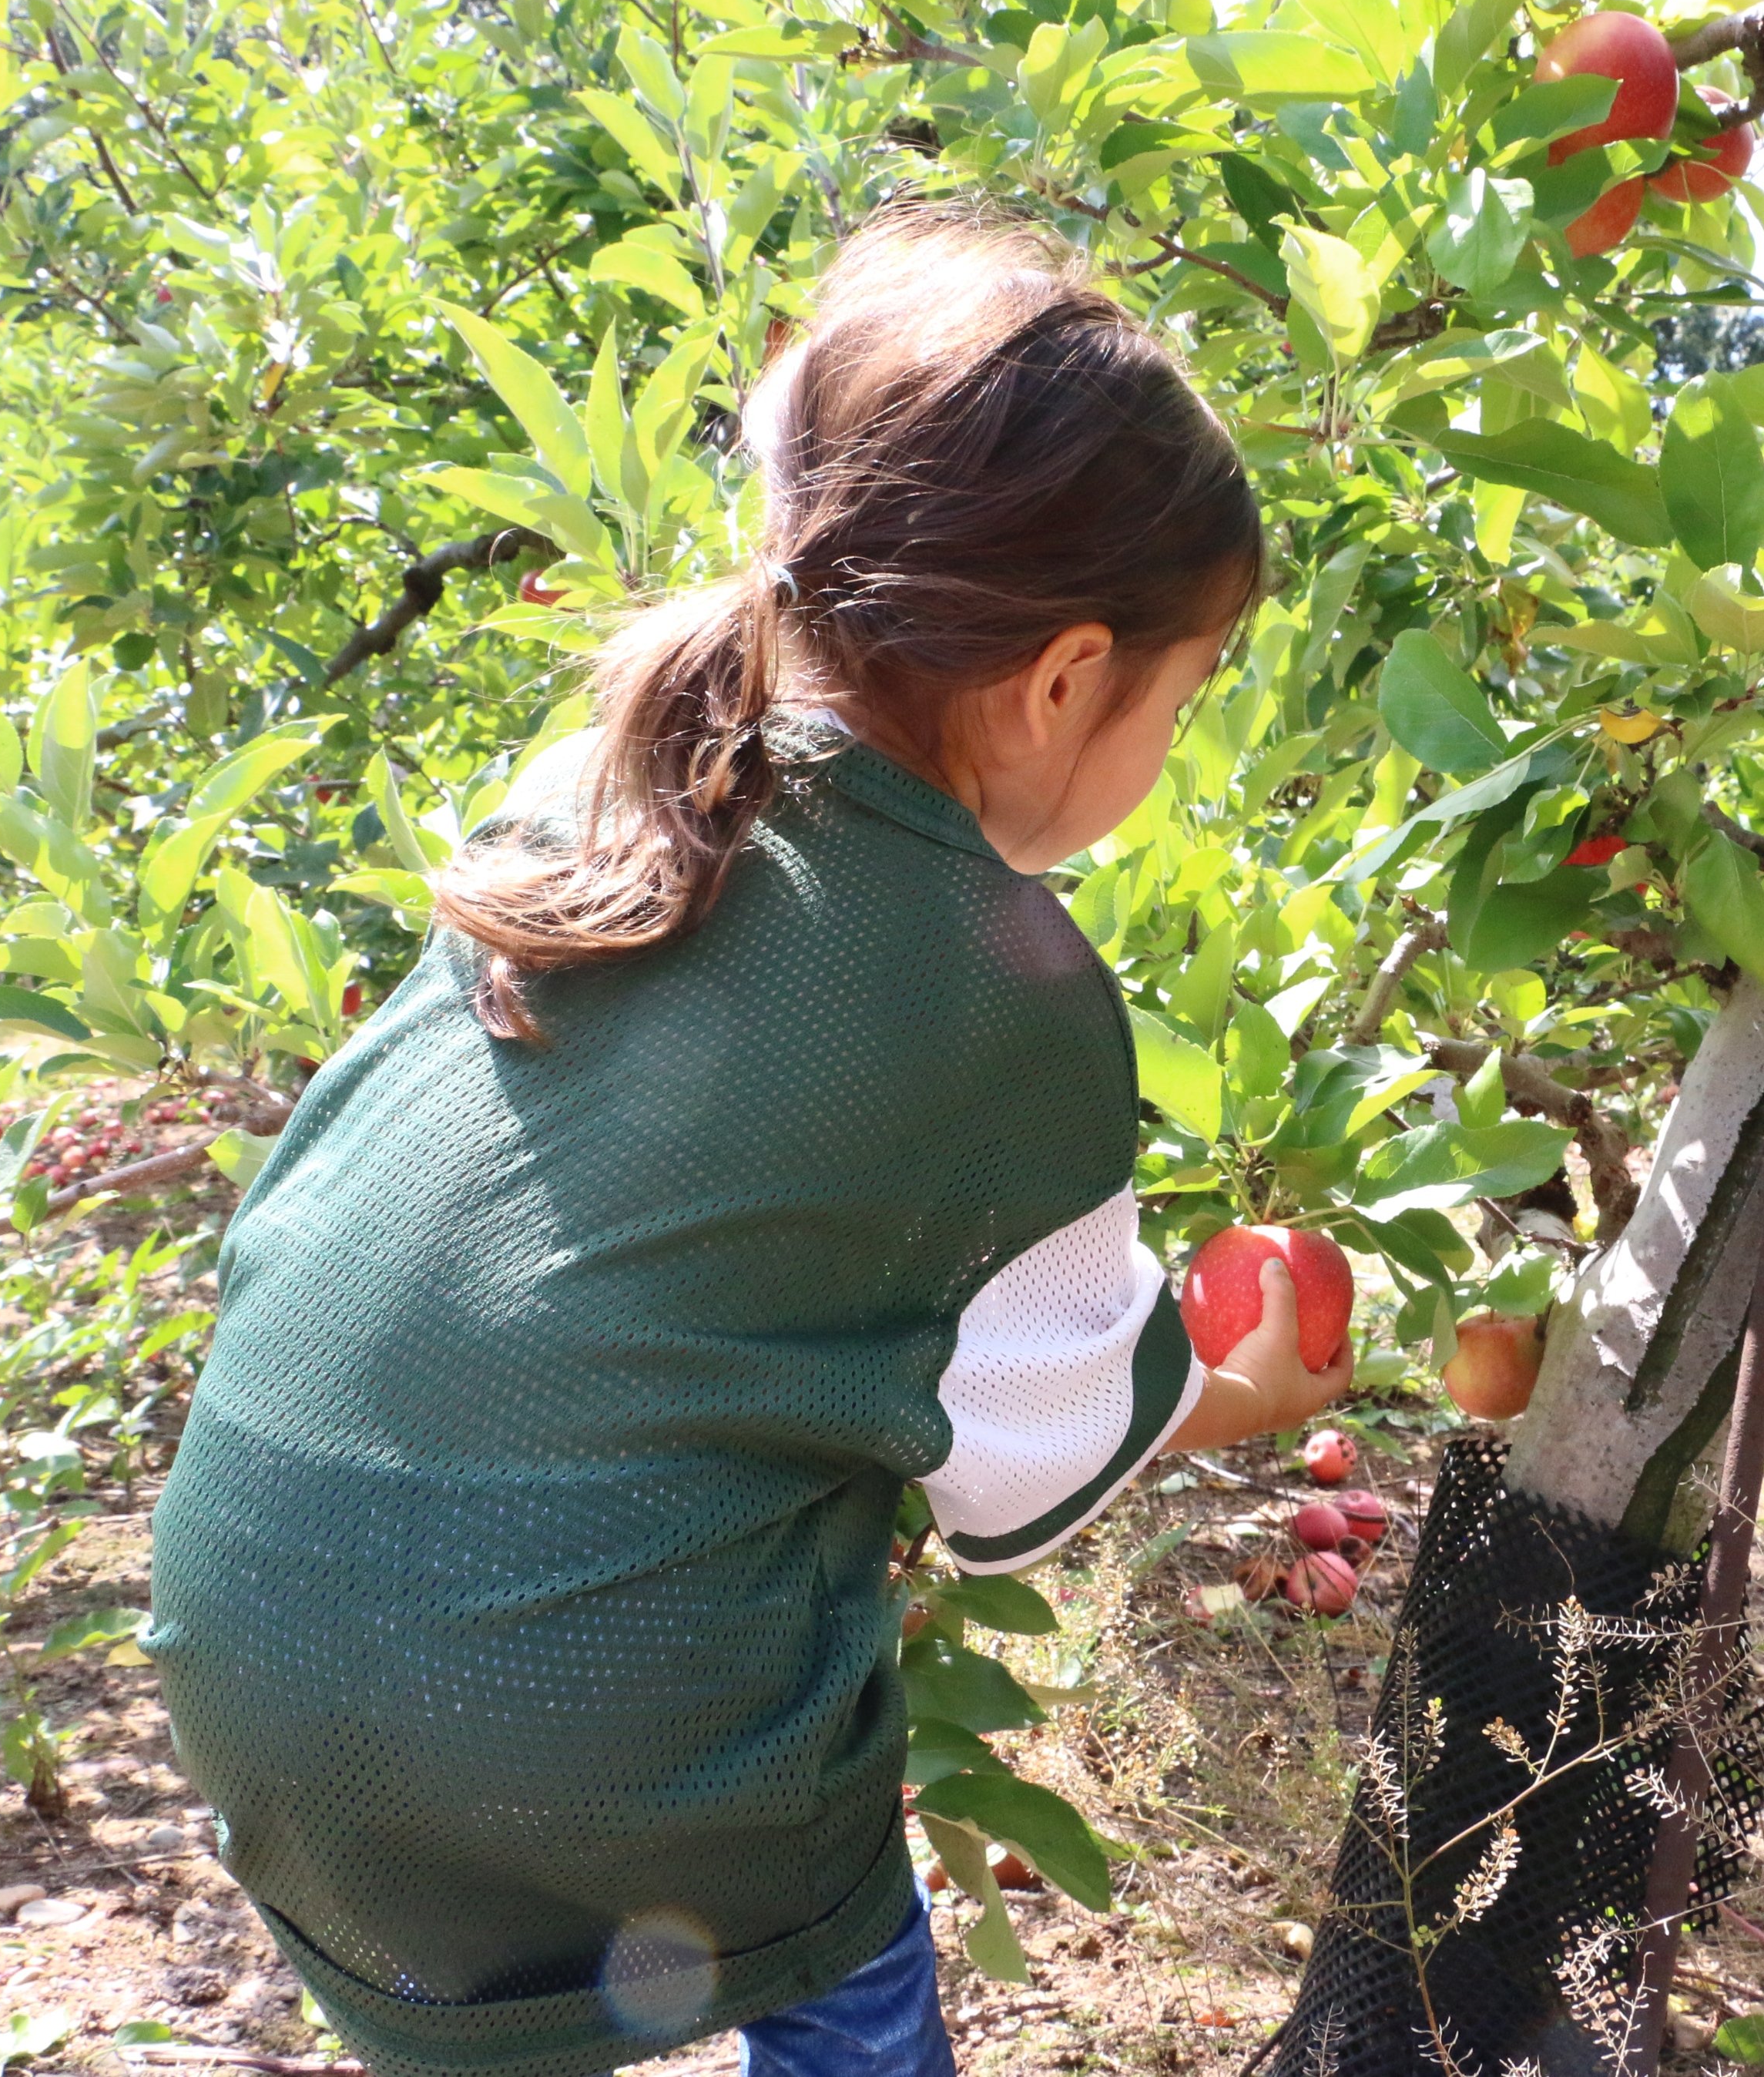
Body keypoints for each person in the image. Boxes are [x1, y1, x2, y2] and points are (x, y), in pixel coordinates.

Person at [144, 200, 1350, 2077]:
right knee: (838, 1966)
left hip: (247, 1649)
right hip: (585, 1723)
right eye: (1179, 700)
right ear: (1059, 681)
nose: (1166, 745)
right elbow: (1014, 1493)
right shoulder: (1002, 990)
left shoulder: (593, 785)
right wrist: (1231, 1389)